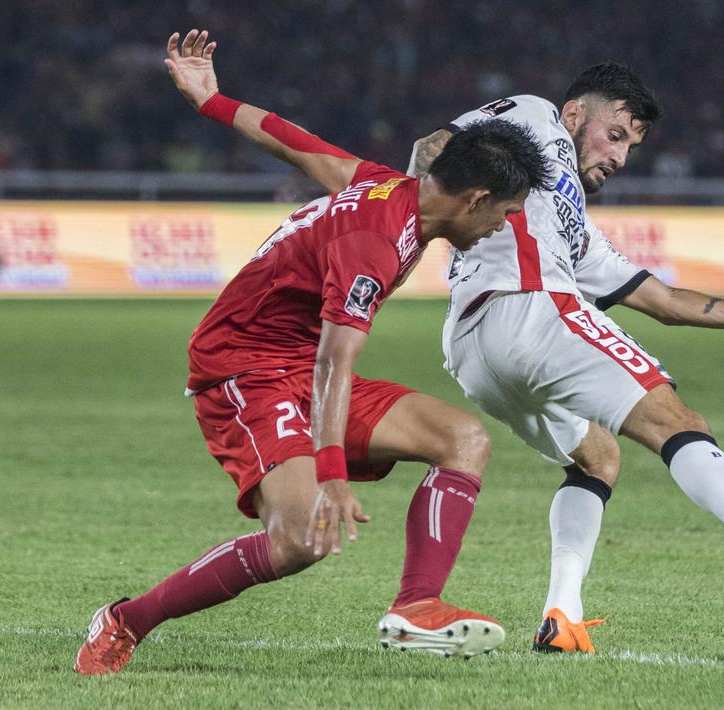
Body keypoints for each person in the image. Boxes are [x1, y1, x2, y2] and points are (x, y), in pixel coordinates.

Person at [74, 30, 551, 675]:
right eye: (505, 212)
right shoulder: (374, 244)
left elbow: (291, 140)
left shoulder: (383, 186)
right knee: (299, 541)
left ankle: (417, 605)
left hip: (297, 362)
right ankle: (126, 620)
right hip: (243, 366)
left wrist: (211, 101)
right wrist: (330, 474)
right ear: (473, 198)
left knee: (462, 439)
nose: (502, 226)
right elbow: (336, 362)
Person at [403, 64, 724, 653]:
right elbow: (432, 146)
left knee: (598, 458)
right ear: (576, 114)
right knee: (677, 422)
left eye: (631, 146)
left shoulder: (575, 231)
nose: (621, 157)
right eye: (616, 134)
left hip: (472, 351)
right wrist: (423, 179)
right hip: (530, 308)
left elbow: (665, 301)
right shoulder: (534, 116)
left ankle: (563, 615)